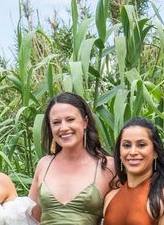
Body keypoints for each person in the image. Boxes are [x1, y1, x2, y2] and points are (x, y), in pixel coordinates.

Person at [28, 92, 115, 225]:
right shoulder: (44, 165)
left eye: (70, 119)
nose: (63, 128)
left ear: (85, 122)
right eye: (56, 122)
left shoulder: (108, 165)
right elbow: (32, 218)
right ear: (50, 128)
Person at [104, 117, 164, 225]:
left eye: (141, 145)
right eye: (126, 145)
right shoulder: (110, 197)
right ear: (119, 153)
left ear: (155, 152)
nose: (133, 152)